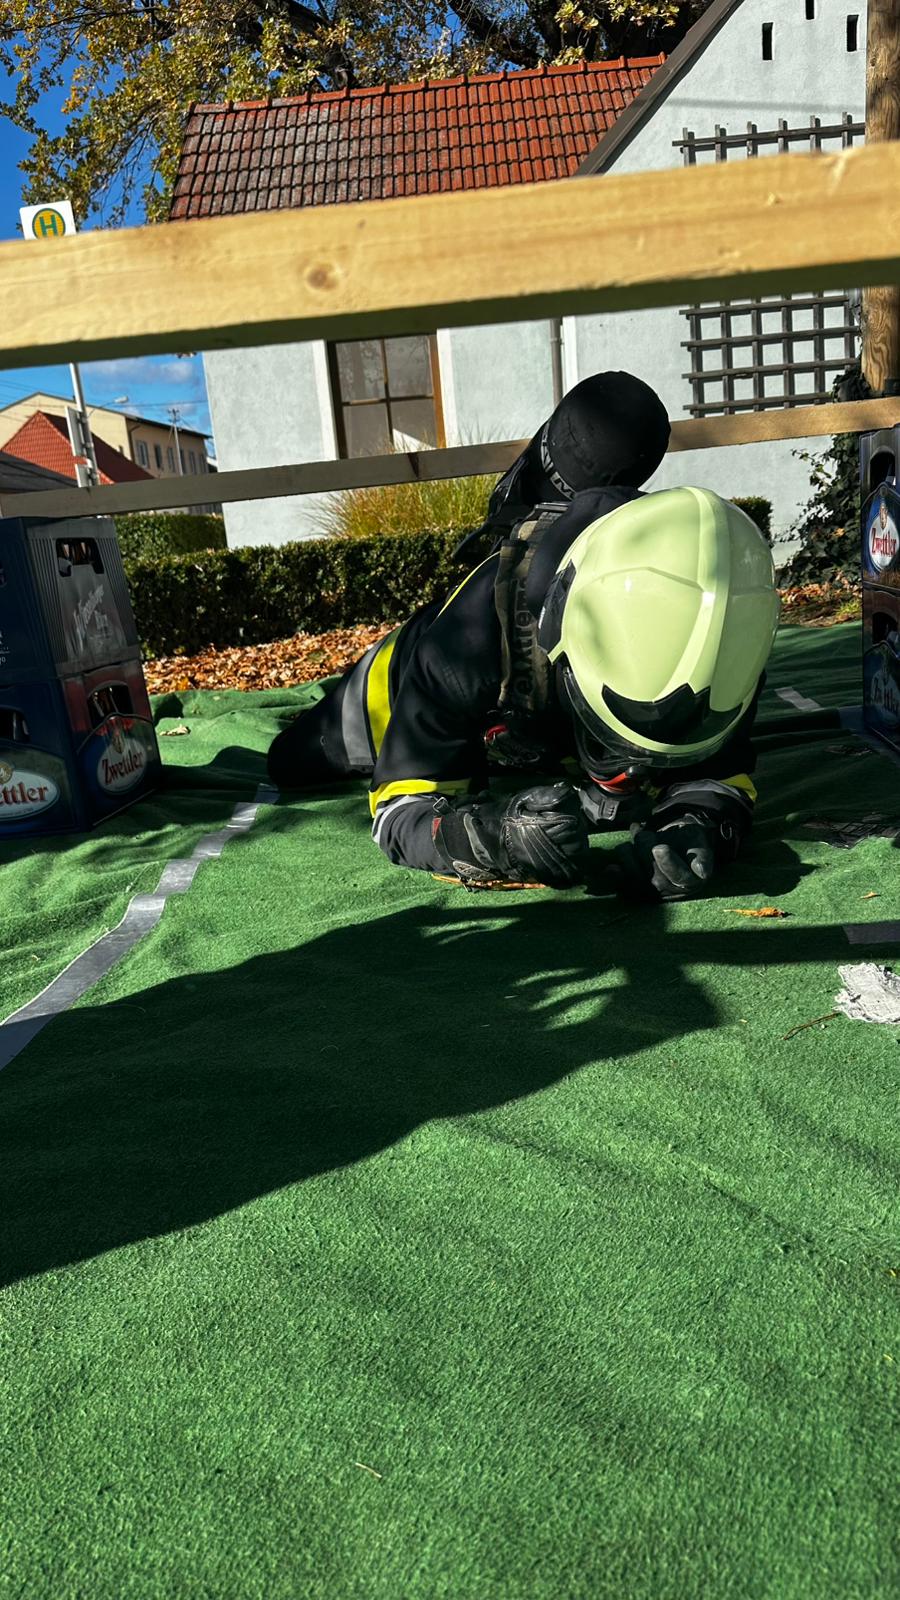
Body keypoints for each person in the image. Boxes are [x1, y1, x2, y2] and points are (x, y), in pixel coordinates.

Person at [267, 372, 780, 901]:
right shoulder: (466, 647)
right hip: (397, 677)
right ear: (560, 653)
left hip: (517, 719)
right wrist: (489, 841)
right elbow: (399, 810)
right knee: (288, 761)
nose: (630, 776)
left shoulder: (716, 638)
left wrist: (698, 825)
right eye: (611, 746)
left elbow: (723, 775)